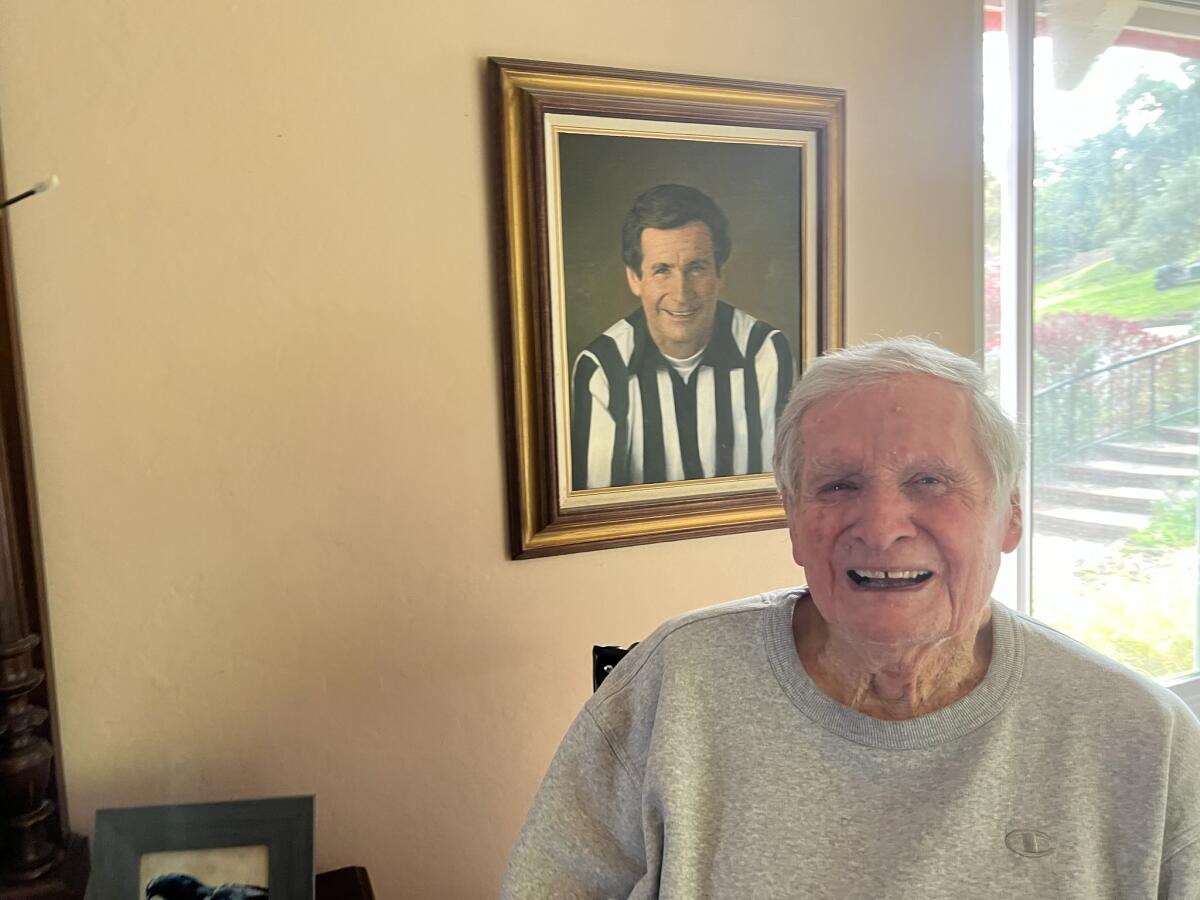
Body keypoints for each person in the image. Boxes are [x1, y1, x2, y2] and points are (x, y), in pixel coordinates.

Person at [503, 337, 1200, 897]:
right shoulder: (677, 680)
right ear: (794, 521)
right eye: (838, 485)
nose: (881, 526)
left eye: (929, 481)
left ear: (1010, 513)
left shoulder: (1143, 738)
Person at [570, 184, 794, 490]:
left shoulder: (764, 352)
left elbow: (778, 494)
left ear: (719, 274)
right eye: (662, 270)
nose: (682, 294)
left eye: (696, 268)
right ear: (635, 279)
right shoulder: (602, 369)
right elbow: (596, 509)